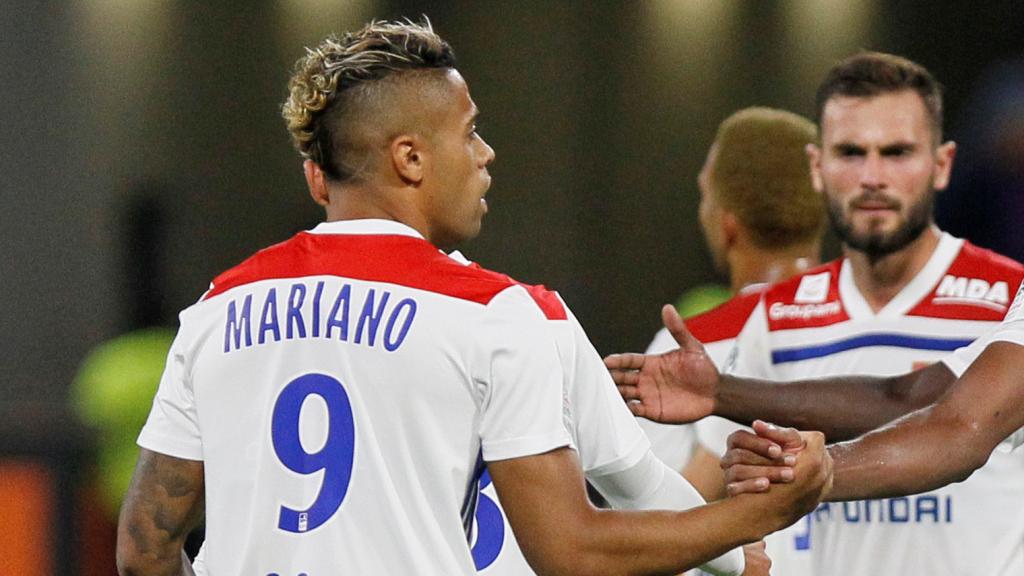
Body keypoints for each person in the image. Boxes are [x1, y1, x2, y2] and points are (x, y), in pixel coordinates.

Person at [115, 19, 830, 576]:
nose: (486, 154)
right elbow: (573, 550)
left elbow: (144, 548)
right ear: (410, 158)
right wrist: (748, 525)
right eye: (471, 132)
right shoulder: (499, 313)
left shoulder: (218, 307)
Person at [612, 52, 1024, 575]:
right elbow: (705, 498)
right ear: (816, 166)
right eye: (851, 153)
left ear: (942, 164)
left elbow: (946, 418)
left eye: (896, 153)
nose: (873, 177)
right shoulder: (774, 319)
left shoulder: (1008, 297)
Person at [639, 107, 824, 575]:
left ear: (726, 223)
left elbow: (656, 518)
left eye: (704, 194)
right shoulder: (871, 331)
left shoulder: (682, 350)